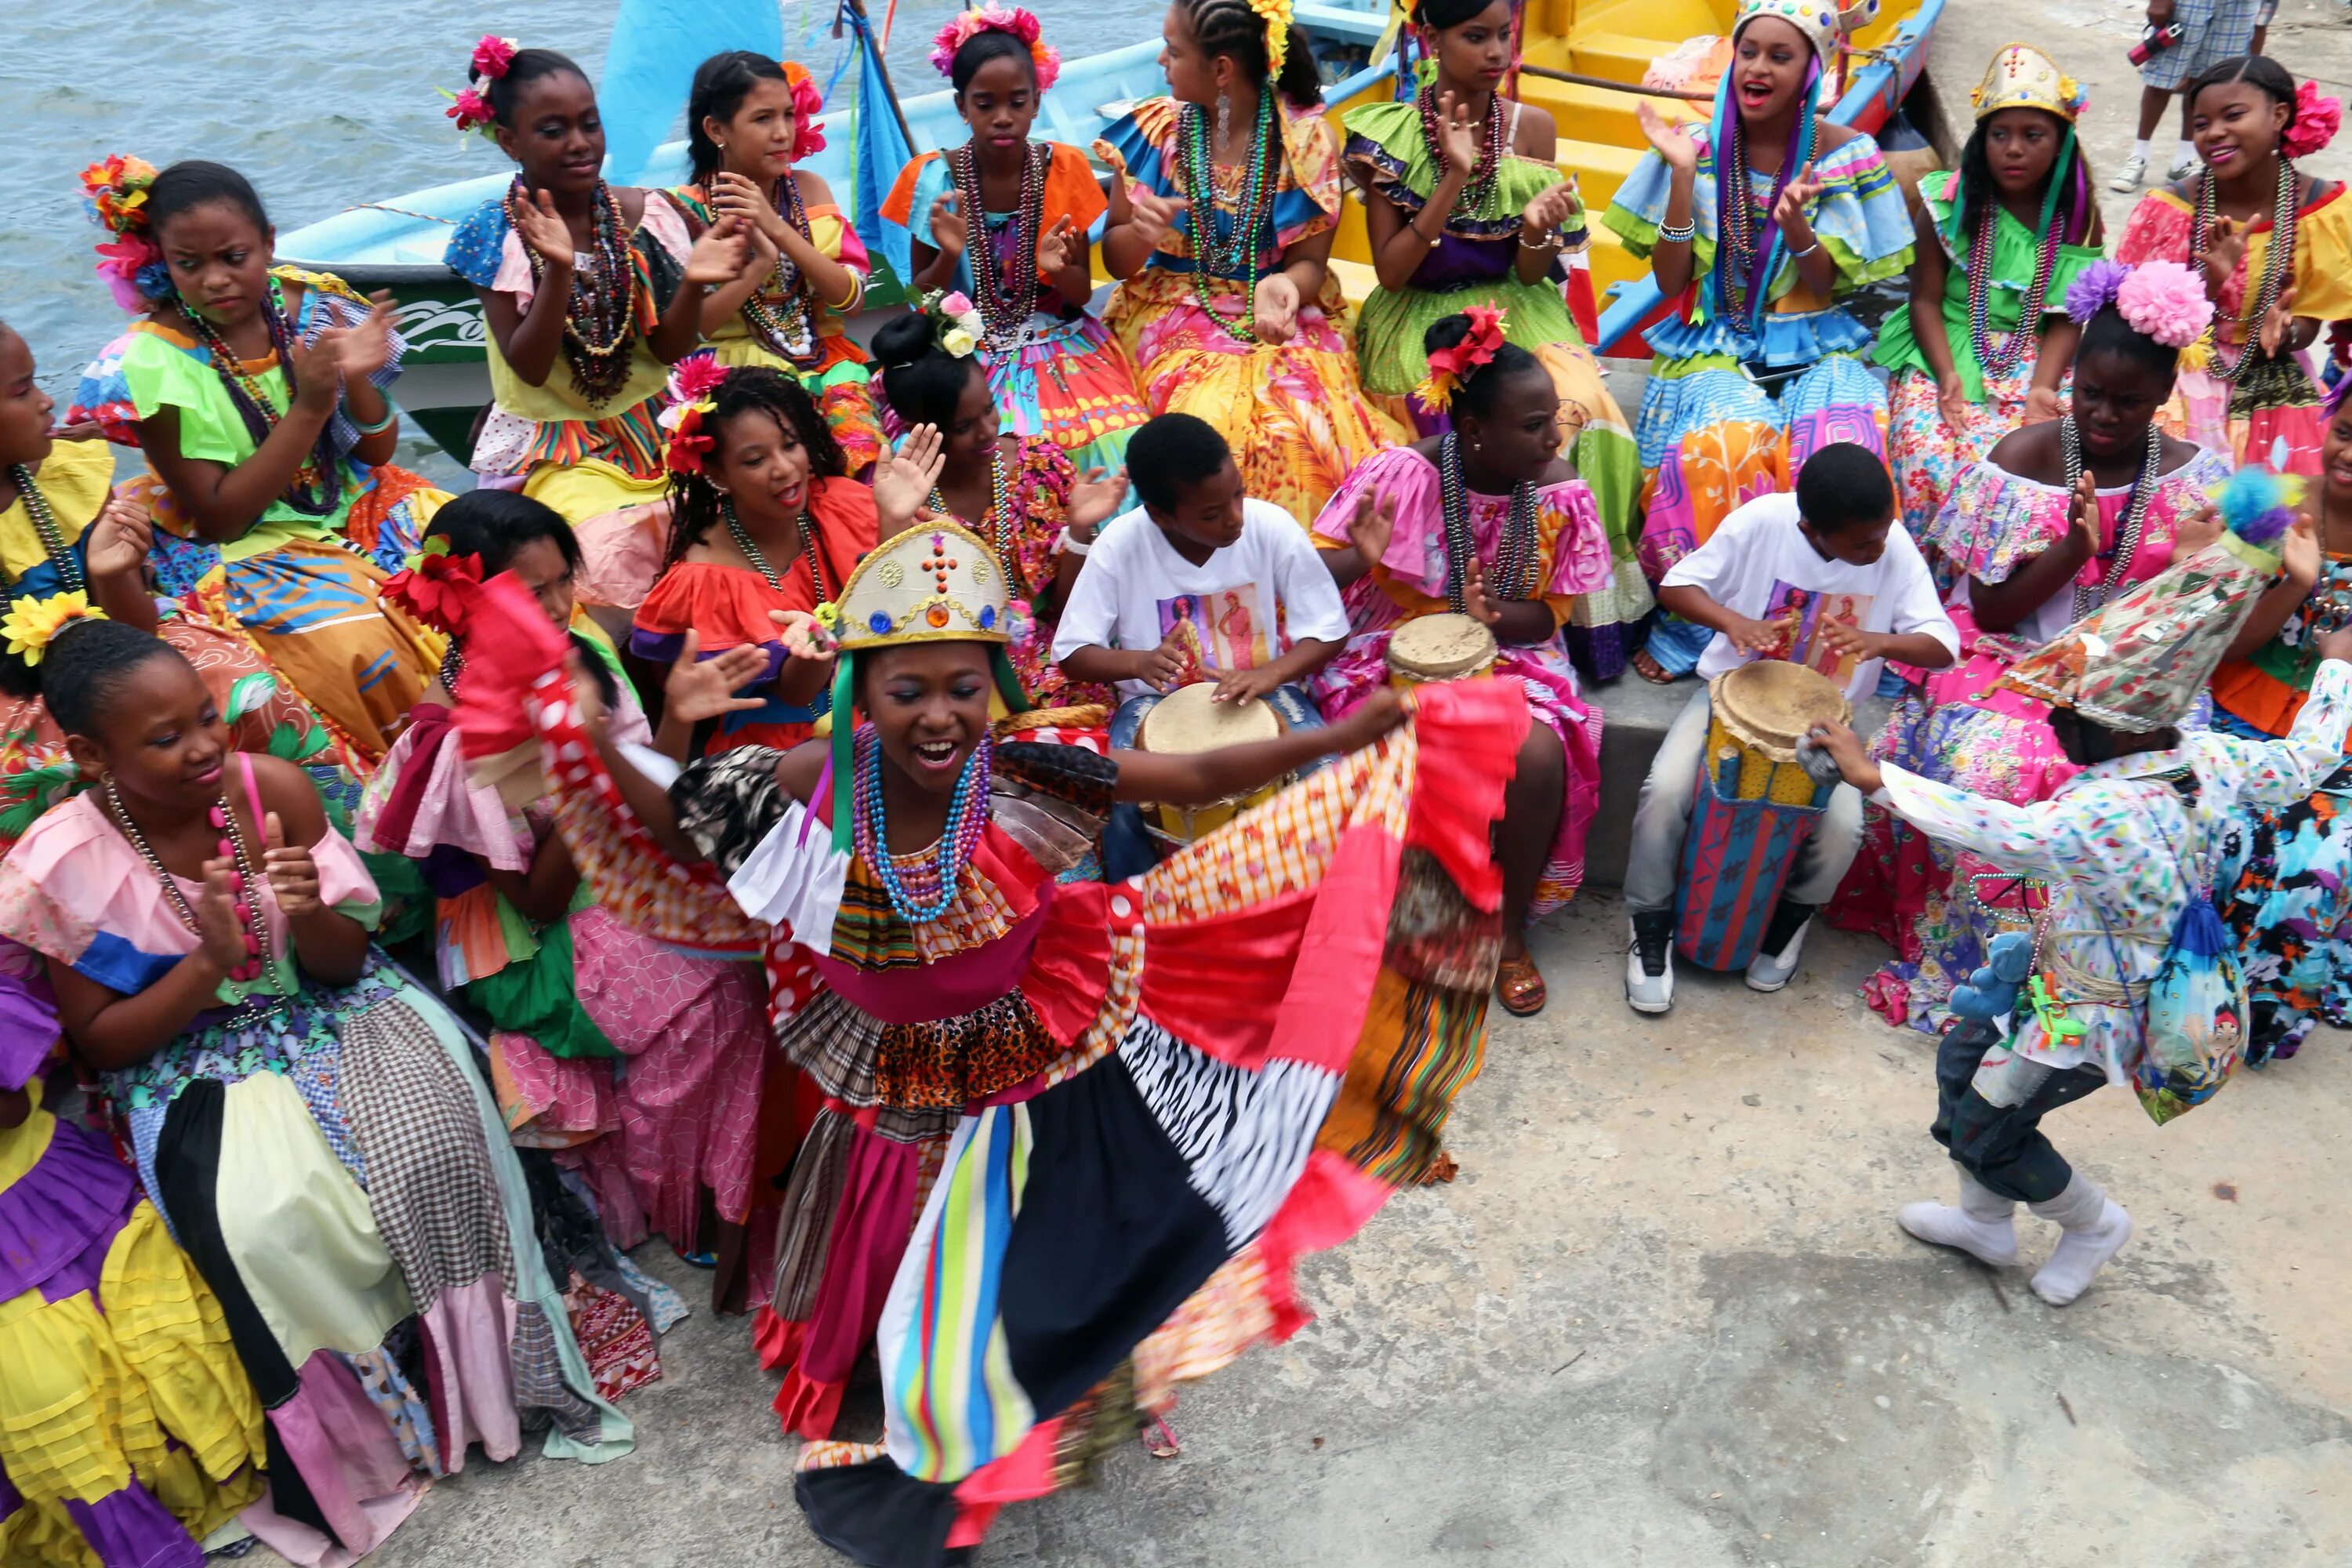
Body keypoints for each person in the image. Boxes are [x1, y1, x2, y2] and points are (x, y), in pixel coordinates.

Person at [448, 512, 1519, 1564]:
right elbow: (683, 803)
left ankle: (1033, 1393)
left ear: (994, 690)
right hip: (888, 1068)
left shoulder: (1027, 773)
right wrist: (594, 740)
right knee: (886, 1241)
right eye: (907, 689)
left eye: (965, 688)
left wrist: (1339, 737)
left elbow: (1191, 779)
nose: (938, 717)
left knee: (1032, 1256)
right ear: (860, 693)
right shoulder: (808, 776)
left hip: (1021, 1052)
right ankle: (897, 1404)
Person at [0, 615, 629, 1565]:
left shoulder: (275, 792)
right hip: (189, 1056)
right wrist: (208, 963)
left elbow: (344, 962)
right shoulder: (55, 863)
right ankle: (372, 1441)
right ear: (91, 754)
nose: (204, 745)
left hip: (339, 1008)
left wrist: (302, 911)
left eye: (203, 717)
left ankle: (490, 1387)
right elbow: (101, 1041)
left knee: (439, 1145)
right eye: (165, 738)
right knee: (259, 1221)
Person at [1807, 482, 2349, 1308]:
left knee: (1991, 1126)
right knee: (1961, 1059)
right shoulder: (2207, 756)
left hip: (2088, 1016)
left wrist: (1872, 774)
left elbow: (1995, 827)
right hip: (2052, 972)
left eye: (2069, 712)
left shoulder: (2101, 809)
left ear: (2128, 722)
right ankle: (1987, 1224)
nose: (2053, 726)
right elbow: (2306, 756)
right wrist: (2337, 670)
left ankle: (2093, 1222)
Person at [354, 491, 773, 1310]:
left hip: (615, 861)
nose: (553, 607)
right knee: (705, 992)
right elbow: (539, 897)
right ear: (470, 602)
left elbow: (652, 789)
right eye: (528, 592)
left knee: (773, 933)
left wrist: (677, 720)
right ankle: (684, 1194)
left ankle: (752, 1168)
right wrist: (577, 757)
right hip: (528, 934)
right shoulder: (474, 730)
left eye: (560, 583)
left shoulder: (581, 647)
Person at [1835, 260, 2232, 1034]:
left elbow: (2195, 628)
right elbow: (1993, 605)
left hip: (2134, 675)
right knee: (2009, 770)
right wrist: (2073, 550)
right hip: (2013, 657)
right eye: (2090, 392)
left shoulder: (2195, 480)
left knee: (2178, 787)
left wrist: (2196, 572)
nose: (2105, 414)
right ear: (2071, 377)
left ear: (2163, 396)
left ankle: (2093, 977)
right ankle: (1992, 971)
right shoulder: (2023, 460)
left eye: (2129, 401)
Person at [67, 158, 446, 768]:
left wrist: (355, 379)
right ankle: (412, 784)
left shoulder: (304, 306)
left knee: (475, 555)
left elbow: (375, 452)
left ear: (268, 243)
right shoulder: (151, 364)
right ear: (161, 260)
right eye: (189, 265)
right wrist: (313, 405)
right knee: (354, 642)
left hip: (347, 501)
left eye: (233, 257)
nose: (215, 280)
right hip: (246, 544)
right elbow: (224, 516)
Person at [1311, 311, 1617, 1015]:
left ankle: (1508, 938)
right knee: (1392, 742)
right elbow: (1313, 571)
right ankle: (1405, 927)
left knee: (1538, 757)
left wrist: (1493, 619)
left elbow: (1550, 617)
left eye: (1554, 421)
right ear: (1474, 430)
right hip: (1391, 641)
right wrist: (1360, 556)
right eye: (1534, 424)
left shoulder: (1558, 491)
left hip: (1513, 650)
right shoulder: (1403, 472)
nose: (1553, 438)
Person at [1601, 0, 1914, 684]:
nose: (1759, 68)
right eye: (1749, 52)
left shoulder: (1846, 155)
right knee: (1725, 447)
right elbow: (1670, 277)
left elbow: (1828, 286)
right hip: (1712, 341)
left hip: (1814, 337)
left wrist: (1799, 227)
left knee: (1842, 443)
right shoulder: (1696, 144)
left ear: (1811, 72)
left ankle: (1827, 628)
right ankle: (1701, 624)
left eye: (1780, 55)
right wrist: (1683, 177)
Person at [1339, 0, 1650, 678]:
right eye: (1473, 36)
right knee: (1438, 413)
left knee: (1580, 408)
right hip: (1418, 313)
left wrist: (1536, 227)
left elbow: (1530, 269)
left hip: (1520, 307)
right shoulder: (1388, 132)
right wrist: (1452, 176)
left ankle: (1557, 613)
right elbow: (1391, 274)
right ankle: (1443, 603)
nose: (1495, 51)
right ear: (1428, 39)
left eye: (1503, 35)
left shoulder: (1531, 127)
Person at [1624, 441, 1958, 1013]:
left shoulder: (1891, 543)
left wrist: (1881, 641)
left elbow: (1943, 645)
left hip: (1824, 722)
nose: (1879, 548)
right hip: (1734, 700)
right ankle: (1649, 926)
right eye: (1862, 544)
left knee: (1843, 828)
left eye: (1883, 534)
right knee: (1665, 790)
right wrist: (1734, 622)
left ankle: (1789, 921)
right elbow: (1676, 586)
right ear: (1812, 528)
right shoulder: (1762, 523)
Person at [2, 323, 331, 854]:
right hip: (16, 699)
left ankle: (302, 857)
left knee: (247, 690)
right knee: (23, 780)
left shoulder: (61, 478)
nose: (46, 403)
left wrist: (111, 573)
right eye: (22, 391)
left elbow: (136, 630)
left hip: (115, 652)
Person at [1094, 0, 1403, 525]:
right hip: (1170, 306)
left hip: (1276, 313)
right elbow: (1119, 262)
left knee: (1305, 424)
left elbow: (1309, 264)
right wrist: (1140, 232)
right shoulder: (1155, 132)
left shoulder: (1302, 143)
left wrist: (1284, 288)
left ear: (1220, 70)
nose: (1162, 64)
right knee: (1205, 425)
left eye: (1173, 52)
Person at [441, 40, 746, 532]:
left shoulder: (648, 215)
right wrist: (559, 270)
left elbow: (668, 350)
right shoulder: (495, 233)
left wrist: (692, 283)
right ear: (509, 141)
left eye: (590, 123)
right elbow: (531, 368)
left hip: (655, 422)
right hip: (553, 445)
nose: (580, 142)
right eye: (552, 130)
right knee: (604, 534)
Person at [1053, 412, 1349, 873]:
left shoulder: (1269, 526)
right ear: (1160, 515)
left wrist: (1268, 673)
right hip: (1152, 706)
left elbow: (1329, 630)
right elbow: (1073, 653)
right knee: (1121, 808)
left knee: (1328, 779)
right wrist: (1137, 662)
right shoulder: (1120, 544)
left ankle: (1325, 893)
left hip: (1266, 688)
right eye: (1212, 513)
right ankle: (1145, 917)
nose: (1235, 519)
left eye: (1238, 496)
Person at [882, 7, 1152, 473]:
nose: (1003, 118)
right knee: (995, 447)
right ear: (961, 106)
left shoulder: (1065, 169)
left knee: (1118, 437)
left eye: (1018, 102)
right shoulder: (932, 177)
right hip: (964, 348)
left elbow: (1081, 294)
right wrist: (949, 255)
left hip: (1057, 335)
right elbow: (921, 304)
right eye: (985, 104)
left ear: (1037, 102)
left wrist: (1058, 267)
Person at [630, 361, 924, 752]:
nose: (784, 469)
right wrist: (820, 646)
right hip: (782, 753)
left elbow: (907, 610)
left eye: (790, 445)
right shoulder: (704, 579)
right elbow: (795, 693)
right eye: (755, 460)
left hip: (885, 707)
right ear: (717, 474)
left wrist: (893, 524)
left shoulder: (839, 502)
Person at [1878, 45, 2105, 537]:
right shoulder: (1944, 204)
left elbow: (2068, 316)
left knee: (2051, 463)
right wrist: (1946, 376)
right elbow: (1923, 301)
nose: (2014, 148)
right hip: (1952, 344)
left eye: (2032, 135)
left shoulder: (2078, 219)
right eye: (1999, 134)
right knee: (1931, 454)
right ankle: (1936, 582)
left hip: (2038, 355)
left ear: (2062, 142)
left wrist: (2043, 388)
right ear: (1982, 141)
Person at [868, 303, 1129, 706]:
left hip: (1055, 662)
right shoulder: (906, 498)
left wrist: (1079, 531)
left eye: (989, 409)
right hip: (958, 672)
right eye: (963, 427)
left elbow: (1066, 610)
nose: (988, 430)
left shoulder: (1038, 467)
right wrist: (895, 521)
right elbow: (895, 619)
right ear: (918, 428)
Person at [2116, 56, 2350, 473]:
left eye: (2234, 115)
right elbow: (2132, 326)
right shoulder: (2169, 209)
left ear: (2279, 115)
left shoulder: (2321, 209)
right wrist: (2207, 285)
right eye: (2202, 123)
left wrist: (2286, 331)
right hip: (2182, 387)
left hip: (2275, 390)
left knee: (2280, 518)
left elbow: (2310, 321)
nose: (2215, 132)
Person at [2212, 380, 2352, 1063]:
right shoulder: (2277, 505)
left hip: (2340, 734)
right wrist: (2296, 582)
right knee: (2224, 824)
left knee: (2323, 851)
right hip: (2241, 705)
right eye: (2346, 431)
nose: (2349, 453)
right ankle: (2189, 996)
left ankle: (2260, 1012)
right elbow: (2227, 643)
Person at [671, 50, 885, 474]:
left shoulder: (809, 188)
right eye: (763, 119)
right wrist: (756, 267)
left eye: (788, 115)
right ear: (717, 130)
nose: (783, 133)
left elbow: (852, 299)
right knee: (786, 468)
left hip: (828, 364)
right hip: (737, 376)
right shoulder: (686, 210)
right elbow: (693, 329)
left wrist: (778, 229)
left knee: (865, 467)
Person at [2109, 0, 2271, 192]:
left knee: (2210, 83)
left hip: (2240, 7)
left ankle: (2185, 161)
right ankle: (2139, 156)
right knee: (2162, 76)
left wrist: (2262, 18)